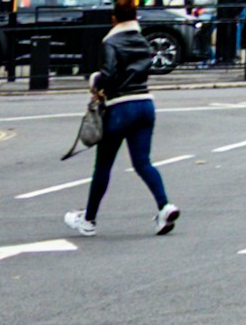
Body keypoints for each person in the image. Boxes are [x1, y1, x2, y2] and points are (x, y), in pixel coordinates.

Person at [75, 19, 175, 238]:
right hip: (145, 103)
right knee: (143, 162)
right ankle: (165, 206)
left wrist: (96, 81)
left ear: (114, 19)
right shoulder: (142, 41)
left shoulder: (111, 42)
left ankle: (89, 220)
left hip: (120, 106)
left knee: (103, 166)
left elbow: (109, 74)